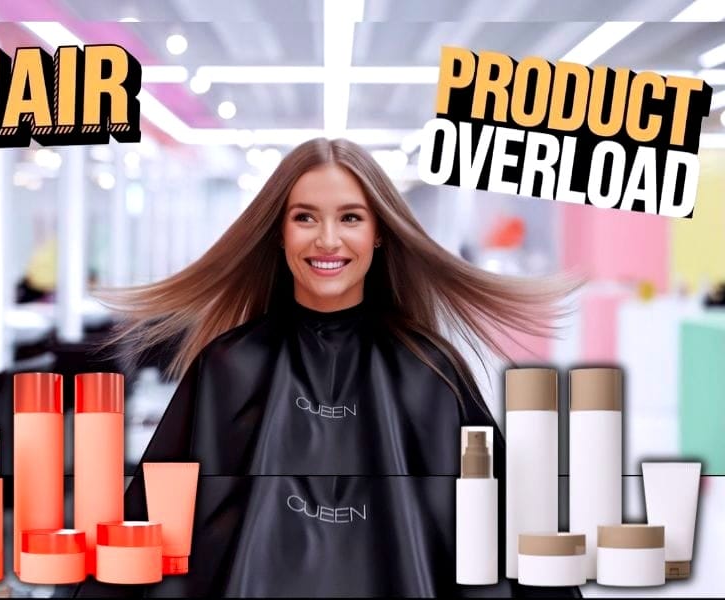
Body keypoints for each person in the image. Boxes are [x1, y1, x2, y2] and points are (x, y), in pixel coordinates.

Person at [70, 138, 579, 598]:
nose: (328, 240)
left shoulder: (430, 371)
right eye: (306, 218)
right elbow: (151, 526)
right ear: (279, 233)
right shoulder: (228, 367)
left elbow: (504, 530)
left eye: (351, 218)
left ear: (380, 233)